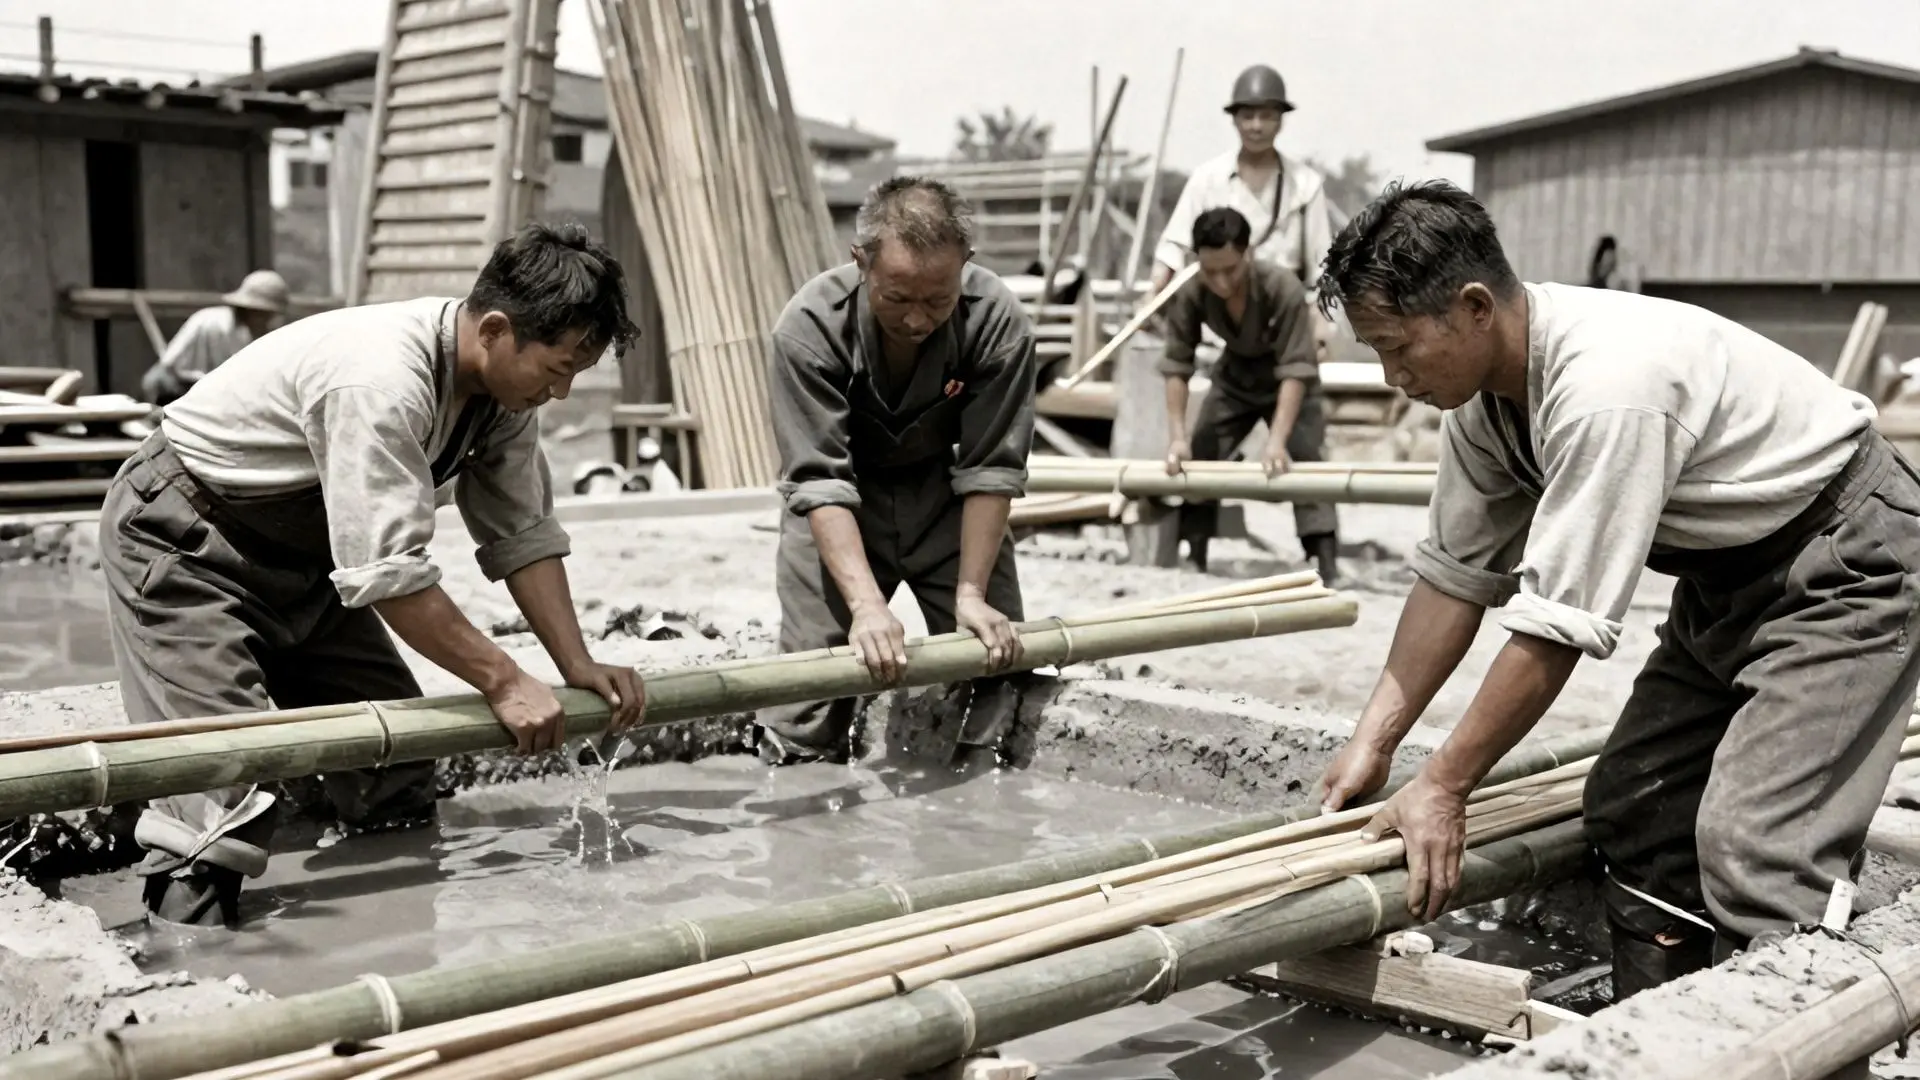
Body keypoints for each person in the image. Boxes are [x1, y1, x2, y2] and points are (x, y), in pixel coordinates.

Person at [1311, 180, 1920, 1002]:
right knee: (1636, 808)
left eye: (1398, 347)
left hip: (1848, 562)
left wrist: (1446, 786)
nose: (1391, 377)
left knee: (1759, 847)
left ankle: (1808, 1044)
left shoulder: (1607, 387)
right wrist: (1374, 745)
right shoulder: (1485, 407)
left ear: (1474, 307)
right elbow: (1454, 580)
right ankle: (1660, 1040)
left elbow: (1557, 628)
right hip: (1729, 576)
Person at [100, 223, 648, 927]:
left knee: (394, 769)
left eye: (577, 371)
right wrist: (506, 681)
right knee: (221, 789)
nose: (564, 392)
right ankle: (190, 968)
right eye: (557, 367)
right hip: (187, 541)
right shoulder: (381, 378)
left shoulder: (508, 398)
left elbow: (522, 533)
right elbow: (388, 573)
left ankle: (374, 926)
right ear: (496, 329)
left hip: (313, 560)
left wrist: (577, 665)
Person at [757, 176, 1036, 764]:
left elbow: (991, 467)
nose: (917, 321)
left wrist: (972, 592)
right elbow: (818, 479)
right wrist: (864, 606)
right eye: (897, 299)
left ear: (966, 265)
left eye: (938, 301)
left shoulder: (997, 320)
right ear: (860, 262)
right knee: (807, 701)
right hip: (840, 508)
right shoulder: (807, 328)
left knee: (999, 665)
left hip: (946, 503)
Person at [1160, 207, 1338, 581]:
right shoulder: (1191, 292)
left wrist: (1275, 442)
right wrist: (1177, 438)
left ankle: (1324, 562)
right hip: (1235, 376)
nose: (1222, 282)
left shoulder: (1282, 286)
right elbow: (1177, 365)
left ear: (1248, 253)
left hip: (1290, 381)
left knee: (1308, 460)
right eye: (1211, 272)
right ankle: (1195, 555)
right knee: (1202, 449)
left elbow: (1296, 370)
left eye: (1231, 270)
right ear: (1197, 261)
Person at [1148, 65, 1341, 313]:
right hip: (1219, 315)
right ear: (1235, 120)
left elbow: (1321, 269)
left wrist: (1319, 327)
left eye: (1267, 116)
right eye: (1248, 116)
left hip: (1282, 316)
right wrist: (1155, 290)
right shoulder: (1207, 179)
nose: (1256, 126)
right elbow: (1173, 246)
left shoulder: (1305, 185)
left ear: (1281, 120)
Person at [139, 270, 290, 407]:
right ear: (254, 311)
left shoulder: (255, 335)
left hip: (207, 393)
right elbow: (171, 367)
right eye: (265, 315)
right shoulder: (214, 323)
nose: (268, 320)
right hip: (174, 388)